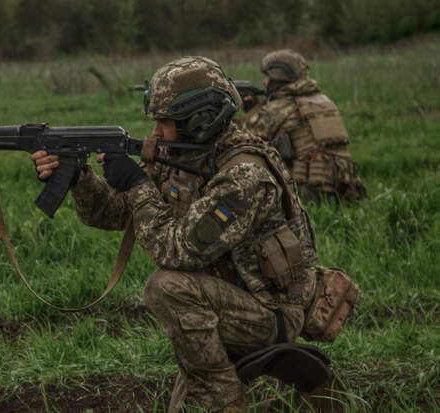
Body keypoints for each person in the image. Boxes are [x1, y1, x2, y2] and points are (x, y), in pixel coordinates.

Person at [32, 57, 340, 412]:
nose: (158, 132)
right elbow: (114, 213)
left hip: (271, 312)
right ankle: (311, 397)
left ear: (202, 119)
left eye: (166, 121)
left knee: (167, 287)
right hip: (228, 296)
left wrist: (137, 184)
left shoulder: (245, 175)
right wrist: (78, 179)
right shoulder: (185, 155)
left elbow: (177, 252)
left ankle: (229, 404)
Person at [241, 49, 367, 204]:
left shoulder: (280, 107)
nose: (264, 82)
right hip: (344, 188)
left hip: (307, 192)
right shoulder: (323, 101)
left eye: (267, 76)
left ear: (280, 77)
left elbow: (243, 139)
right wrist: (255, 109)